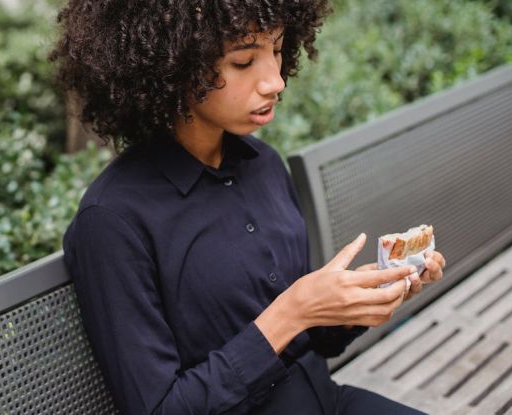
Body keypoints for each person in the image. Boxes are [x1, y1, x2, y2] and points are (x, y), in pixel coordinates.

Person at [51, 1, 447, 414]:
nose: (275, 81)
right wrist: (290, 313)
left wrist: (356, 302)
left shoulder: (264, 166)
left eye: (276, 51)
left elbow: (309, 339)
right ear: (173, 66)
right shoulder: (113, 221)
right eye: (243, 61)